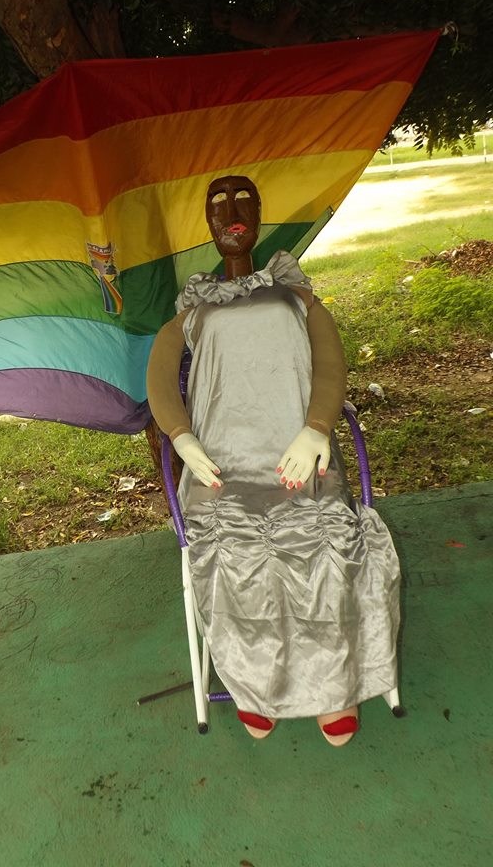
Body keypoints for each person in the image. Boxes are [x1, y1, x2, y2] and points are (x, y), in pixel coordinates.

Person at [146, 174, 400, 747]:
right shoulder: (195, 303)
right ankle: (256, 684)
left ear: (260, 213)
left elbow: (330, 358)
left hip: (298, 456)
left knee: (325, 547)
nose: (230, 212)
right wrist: (181, 438)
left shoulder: (293, 291)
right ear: (207, 222)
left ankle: (333, 687)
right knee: (233, 557)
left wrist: (316, 428)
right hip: (221, 466)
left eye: (242, 199)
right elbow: (160, 372)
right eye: (218, 203)